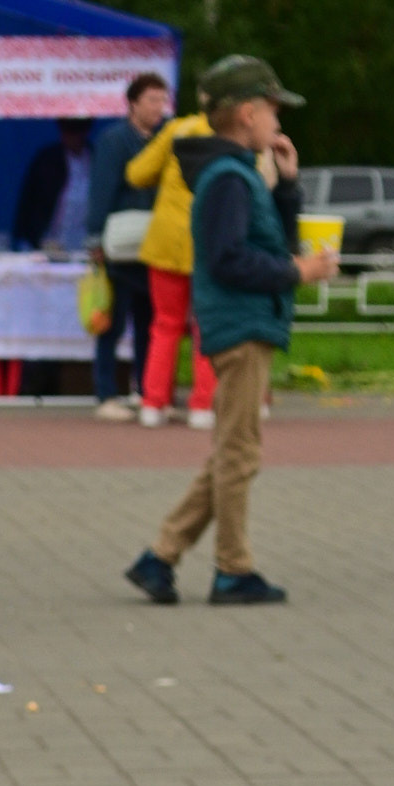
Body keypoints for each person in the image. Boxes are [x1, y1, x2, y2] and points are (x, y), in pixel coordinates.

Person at [125, 56, 337, 609]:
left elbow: (267, 242)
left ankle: (160, 558)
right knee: (240, 455)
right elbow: (228, 259)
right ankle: (232, 570)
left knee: (230, 452)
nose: (277, 121)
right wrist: (298, 272)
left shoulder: (239, 173)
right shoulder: (228, 178)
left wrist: (287, 187)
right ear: (247, 114)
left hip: (248, 324)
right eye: (272, 110)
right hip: (240, 326)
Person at [126, 89, 217, 427]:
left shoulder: (176, 130)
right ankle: (202, 406)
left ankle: (153, 403)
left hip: (167, 241)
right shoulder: (233, 136)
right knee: (207, 326)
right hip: (210, 242)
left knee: (165, 324)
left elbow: (136, 173)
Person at [86, 72, 166, 417]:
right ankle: (106, 395)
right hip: (119, 245)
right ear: (132, 103)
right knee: (112, 321)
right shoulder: (114, 140)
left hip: (154, 245)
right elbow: (101, 190)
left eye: (162, 100)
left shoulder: (165, 139)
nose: (159, 107)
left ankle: (146, 391)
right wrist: (95, 238)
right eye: (152, 100)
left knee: (150, 321)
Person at [11, 119, 95, 250]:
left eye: (77, 131)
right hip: (50, 243)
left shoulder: (96, 157)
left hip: (86, 244)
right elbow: (28, 204)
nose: (72, 137)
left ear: (85, 132)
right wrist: (38, 240)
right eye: (67, 131)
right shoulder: (47, 160)